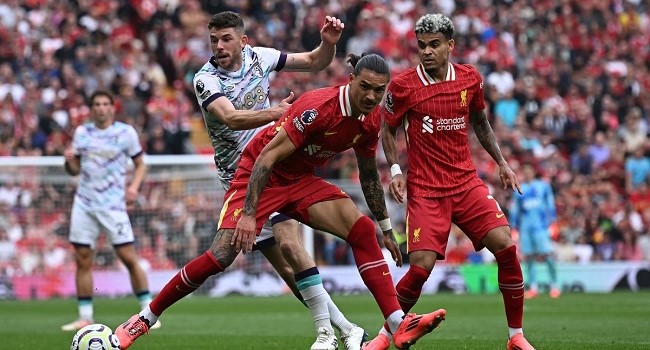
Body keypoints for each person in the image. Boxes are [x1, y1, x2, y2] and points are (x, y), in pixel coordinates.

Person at [116, 53, 446, 350]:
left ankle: (396, 323)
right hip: (260, 175)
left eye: (379, 90)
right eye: (366, 88)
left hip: (300, 180)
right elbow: (264, 159)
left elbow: (369, 175)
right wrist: (248, 215)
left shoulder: (370, 118)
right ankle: (144, 319)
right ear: (351, 81)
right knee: (220, 256)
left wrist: (386, 227)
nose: (372, 96)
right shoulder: (316, 108)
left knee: (362, 230)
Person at [117, 11, 364, 350]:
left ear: (242, 40)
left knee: (292, 246)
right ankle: (348, 329)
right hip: (239, 176)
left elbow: (314, 61)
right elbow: (231, 119)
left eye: (226, 39)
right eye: (213, 40)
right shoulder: (205, 79)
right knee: (248, 262)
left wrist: (327, 43)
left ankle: (334, 333)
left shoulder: (260, 57)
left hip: (273, 166)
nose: (218, 46)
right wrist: (275, 113)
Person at [370, 14, 535, 350]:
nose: (427, 52)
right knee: (421, 268)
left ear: (450, 45)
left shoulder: (469, 79)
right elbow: (388, 129)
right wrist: (397, 172)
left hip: (465, 183)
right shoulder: (403, 86)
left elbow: (480, 122)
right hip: (426, 191)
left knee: (505, 245)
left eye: (434, 45)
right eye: (422, 46)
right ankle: (386, 336)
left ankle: (515, 336)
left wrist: (502, 163)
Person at [61, 90, 160, 331]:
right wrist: (68, 161)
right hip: (84, 204)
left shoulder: (125, 133)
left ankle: (148, 313)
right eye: (97, 104)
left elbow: (140, 164)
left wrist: (134, 188)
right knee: (83, 259)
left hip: (113, 204)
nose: (101, 108)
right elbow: (73, 170)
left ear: (112, 108)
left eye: (106, 103)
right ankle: (85, 316)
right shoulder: (82, 133)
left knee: (128, 258)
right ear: (91, 108)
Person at [509, 164, 561, 299]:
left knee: (548, 255)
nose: (526, 174)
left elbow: (550, 204)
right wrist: (514, 226)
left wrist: (553, 222)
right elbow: (515, 209)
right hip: (525, 228)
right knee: (529, 257)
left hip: (541, 227)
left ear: (533, 172)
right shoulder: (519, 188)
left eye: (528, 171)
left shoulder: (543, 186)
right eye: (524, 172)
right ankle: (533, 287)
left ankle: (554, 285)